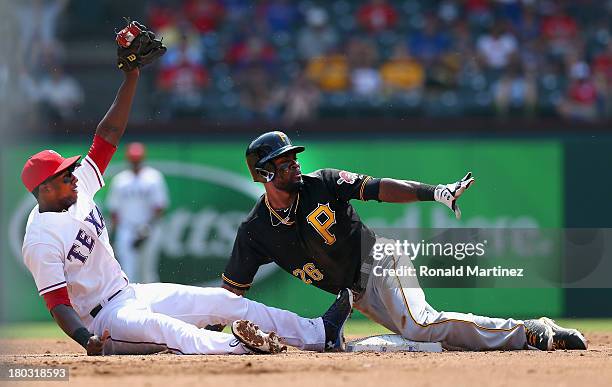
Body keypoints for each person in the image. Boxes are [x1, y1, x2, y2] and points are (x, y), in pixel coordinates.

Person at [20, 24, 352, 356]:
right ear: (45, 189)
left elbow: (107, 136)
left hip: (130, 294)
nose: (73, 175)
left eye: (70, 170)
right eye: (64, 175)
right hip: (105, 320)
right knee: (169, 330)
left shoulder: (78, 191)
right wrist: (85, 339)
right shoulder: (40, 237)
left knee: (223, 300)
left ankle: (319, 332)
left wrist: (131, 76)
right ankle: (241, 346)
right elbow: (57, 303)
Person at [222, 131, 588, 352]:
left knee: (419, 324)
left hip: (378, 261)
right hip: (357, 295)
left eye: (293, 157)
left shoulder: (323, 183)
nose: (294, 164)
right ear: (264, 174)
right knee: (427, 341)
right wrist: (193, 335)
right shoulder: (255, 230)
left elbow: (380, 187)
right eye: (283, 162)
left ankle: (529, 331)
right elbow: (228, 296)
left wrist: (435, 193)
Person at [106, 142, 169, 283]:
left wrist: (147, 228)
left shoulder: (153, 177)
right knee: (128, 272)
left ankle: (153, 304)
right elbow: (114, 210)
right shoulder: (120, 180)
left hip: (149, 228)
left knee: (148, 272)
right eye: (133, 160)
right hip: (127, 229)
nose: (135, 163)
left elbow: (159, 207)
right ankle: (131, 304)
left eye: (137, 160)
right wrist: (112, 235)